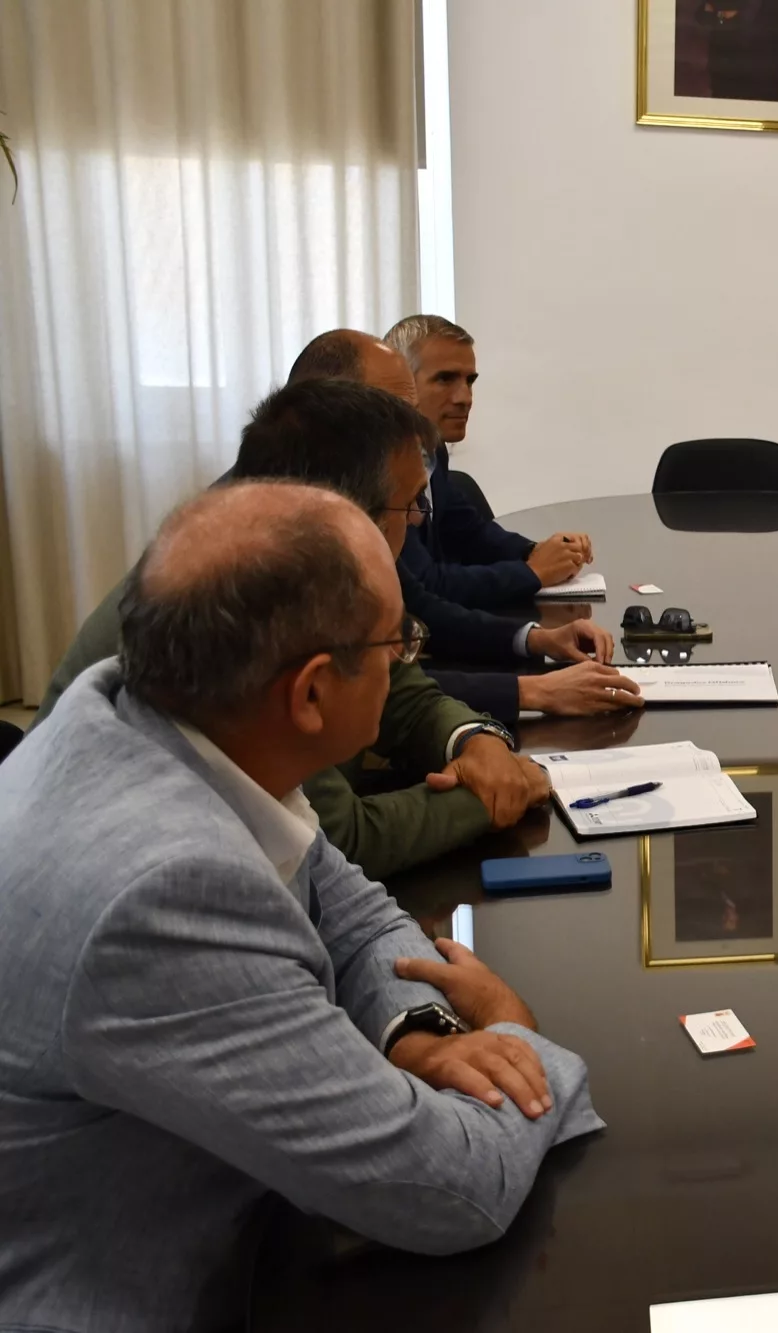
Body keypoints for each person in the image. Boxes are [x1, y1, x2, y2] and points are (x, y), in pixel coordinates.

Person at [0, 482, 603, 1330]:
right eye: (400, 641)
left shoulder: (168, 719)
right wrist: (512, 1031)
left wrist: (419, 1031)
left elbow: (348, 904)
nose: (407, 663)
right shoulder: (165, 896)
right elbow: (451, 1190)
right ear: (312, 693)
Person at [37, 379, 638, 878]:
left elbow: (402, 690)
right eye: (410, 504)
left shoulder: (302, 558)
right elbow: (336, 842)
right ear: (342, 511)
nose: (419, 521)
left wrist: (474, 742)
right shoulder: (250, 596)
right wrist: (495, 793)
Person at [287, 327, 633, 723]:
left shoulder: (359, 482)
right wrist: (530, 690)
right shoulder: (283, 531)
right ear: (333, 416)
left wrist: (537, 638)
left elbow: (420, 607)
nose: (465, 397)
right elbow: (365, 689)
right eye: (395, 412)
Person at [384, 314, 595, 608]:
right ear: (401, 385)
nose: (465, 398)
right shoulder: (379, 468)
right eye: (445, 379)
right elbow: (426, 584)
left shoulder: (433, 449)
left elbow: (470, 533)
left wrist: (535, 551)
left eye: (469, 381)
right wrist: (533, 572)